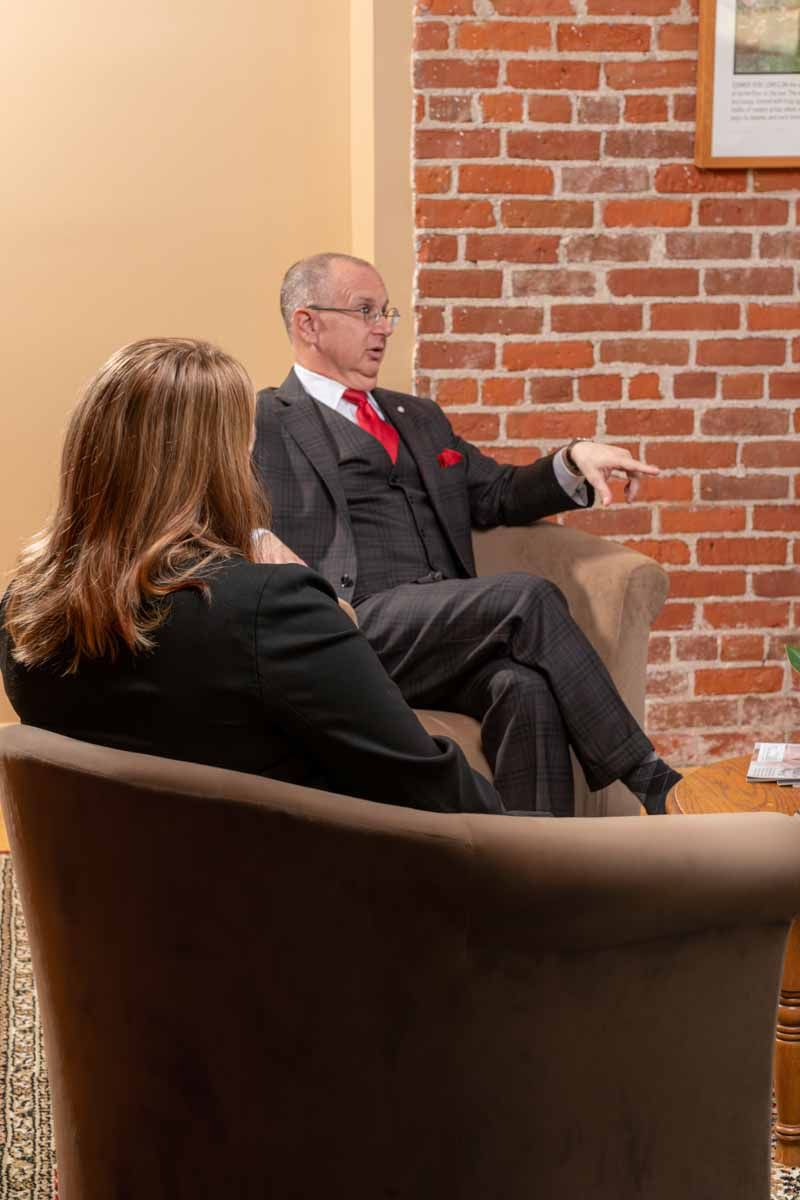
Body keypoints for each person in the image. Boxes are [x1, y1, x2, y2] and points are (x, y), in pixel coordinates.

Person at [253, 252, 682, 816]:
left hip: (442, 626)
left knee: (522, 687)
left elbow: (497, 492)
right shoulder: (264, 420)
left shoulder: (417, 416)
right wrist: (254, 536)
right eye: (365, 311)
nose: (384, 328)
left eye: (387, 313)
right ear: (308, 324)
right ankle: (653, 781)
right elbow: (209, 506)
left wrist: (573, 459)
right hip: (353, 625)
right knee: (524, 596)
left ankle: (536, 863)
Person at [0, 337, 502, 815]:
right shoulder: (273, 607)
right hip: (293, 875)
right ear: (226, 461)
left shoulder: (21, 611)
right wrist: (329, 612)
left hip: (110, 876)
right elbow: (435, 790)